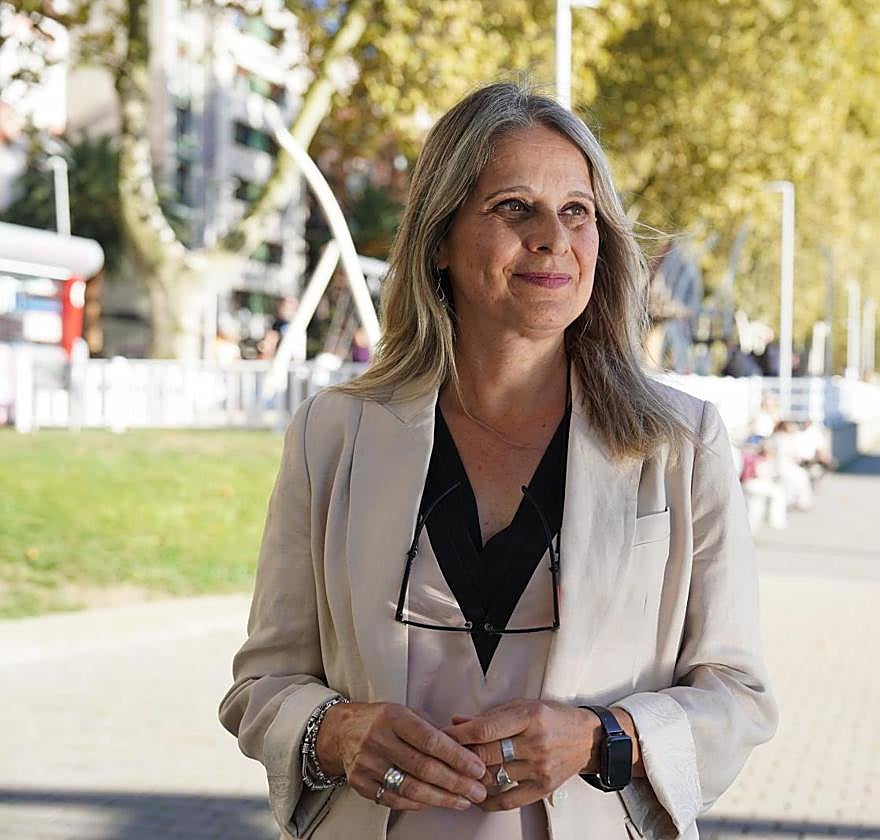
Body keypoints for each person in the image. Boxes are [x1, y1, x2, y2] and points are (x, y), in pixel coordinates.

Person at [219, 81, 776, 840]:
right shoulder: (334, 435)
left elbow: (738, 694)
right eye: (515, 207)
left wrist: (605, 737)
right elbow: (263, 683)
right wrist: (336, 732)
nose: (553, 237)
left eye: (577, 212)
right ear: (440, 241)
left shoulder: (681, 445)